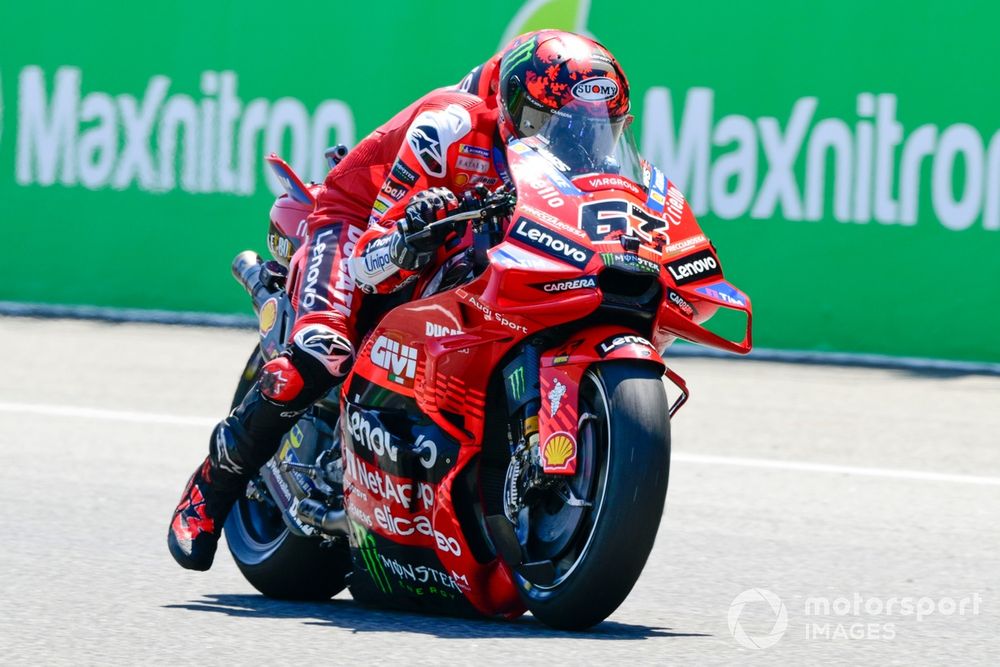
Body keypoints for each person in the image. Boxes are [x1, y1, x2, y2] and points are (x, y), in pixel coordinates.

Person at [167, 29, 632, 571]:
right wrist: (412, 237)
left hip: (465, 240)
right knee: (323, 351)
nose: (573, 143)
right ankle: (209, 489)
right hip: (352, 225)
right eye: (547, 125)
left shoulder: (586, 170)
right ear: (510, 107)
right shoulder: (451, 126)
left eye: (593, 131)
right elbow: (369, 263)